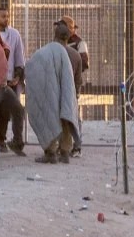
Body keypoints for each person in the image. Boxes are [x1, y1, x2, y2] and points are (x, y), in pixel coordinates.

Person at [24, 20, 79, 164]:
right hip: (64, 94)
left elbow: (30, 66)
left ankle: (50, 152)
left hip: (48, 94)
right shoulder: (72, 54)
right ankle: (65, 152)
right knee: (65, 117)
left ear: (54, 35)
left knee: (49, 117)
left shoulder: (44, 51)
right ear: (68, 37)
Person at [0, 7, 27, 156]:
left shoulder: (14, 35)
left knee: (12, 111)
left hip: (9, 82)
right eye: (2, 16)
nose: (6, 19)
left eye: (7, 16)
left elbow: (19, 58)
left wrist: (18, 76)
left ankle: (14, 142)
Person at [61, 14, 89, 157]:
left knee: (74, 115)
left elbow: (84, 63)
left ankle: (77, 146)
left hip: (72, 83)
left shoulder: (79, 43)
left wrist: (71, 68)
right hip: (61, 84)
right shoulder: (60, 42)